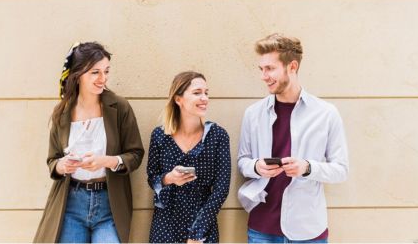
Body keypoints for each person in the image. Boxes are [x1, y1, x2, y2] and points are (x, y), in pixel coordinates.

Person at [236, 34, 349, 243]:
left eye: (270, 68)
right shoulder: (253, 113)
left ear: (292, 66)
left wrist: (307, 168)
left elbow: (341, 170)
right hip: (262, 229)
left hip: (308, 230)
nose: (263, 76)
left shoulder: (326, 113)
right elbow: (242, 162)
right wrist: (256, 167)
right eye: (261, 69)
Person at [34, 42, 144, 243]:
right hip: (71, 204)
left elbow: (135, 154)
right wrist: (62, 165)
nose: (103, 78)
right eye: (95, 72)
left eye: (106, 71)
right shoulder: (63, 112)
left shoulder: (119, 107)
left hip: (109, 205)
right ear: (78, 74)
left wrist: (106, 161)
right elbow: (52, 160)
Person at [147, 71, 231, 243]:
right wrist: (169, 178)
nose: (204, 98)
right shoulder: (160, 135)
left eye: (206, 93)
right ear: (179, 99)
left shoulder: (218, 136)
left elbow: (221, 190)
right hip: (165, 223)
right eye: (197, 93)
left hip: (202, 222)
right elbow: (152, 178)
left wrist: (197, 233)